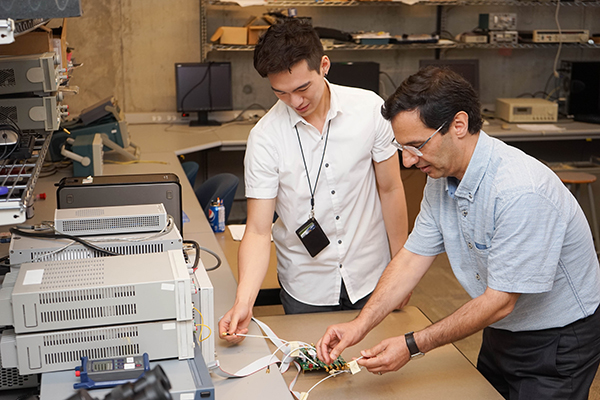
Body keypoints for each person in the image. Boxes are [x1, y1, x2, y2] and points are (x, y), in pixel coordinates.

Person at [316, 66, 600, 399]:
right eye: (401, 147)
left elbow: (500, 301)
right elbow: (410, 260)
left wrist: (412, 345)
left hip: (557, 340)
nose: (407, 161)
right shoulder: (441, 180)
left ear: (459, 125)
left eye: (416, 145)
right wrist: (359, 326)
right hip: (501, 329)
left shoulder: (520, 191)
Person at [218, 18, 409, 343]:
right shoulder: (265, 138)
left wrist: (401, 273)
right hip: (306, 285)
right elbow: (259, 229)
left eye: (303, 88)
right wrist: (244, 302)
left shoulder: (369, 109)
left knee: (380, 379)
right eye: (281, 93)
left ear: (323, 65)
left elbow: (390, 190)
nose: (295, 103)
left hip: (371, 275)